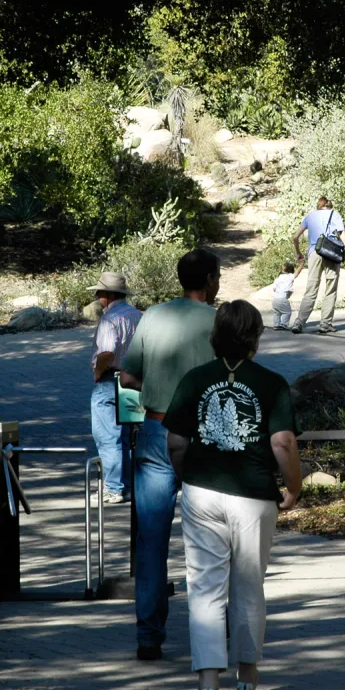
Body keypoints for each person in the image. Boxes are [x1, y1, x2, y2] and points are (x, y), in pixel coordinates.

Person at [164, 301, 302, 690]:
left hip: (201, 492)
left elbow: (175, 441)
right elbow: (283, 442)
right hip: (253, 496)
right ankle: (247, 671)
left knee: (204, 585)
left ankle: (207, 683)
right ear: (256, 336)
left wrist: (186, 475)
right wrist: (293, 486)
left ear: (216, 334)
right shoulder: (272, 382)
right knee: (248, 583)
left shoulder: (195, 379)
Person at [121, 248, 221, 661]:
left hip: (155, 429)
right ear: (212, 279)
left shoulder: (152, 316)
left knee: (151, 540)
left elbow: (127, 374)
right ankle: (216, 629)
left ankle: (148, 636)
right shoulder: (219, 322)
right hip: (204, 436)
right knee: (215, 538)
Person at [90, 271, 141, 504]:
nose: (98, 297)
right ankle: (128, 484)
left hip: (110, 379)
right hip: (134, 380)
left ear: (108, 295)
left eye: (99, 292)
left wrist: (98, 371)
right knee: (129, 436)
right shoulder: (137, 315)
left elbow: (107, 352)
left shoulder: (110, 319)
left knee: (108, 436)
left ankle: (113, 487)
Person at [288, 196, 345, 335]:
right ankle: (325, 324)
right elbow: (343, 238)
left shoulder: (310, 216)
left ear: (319, 205)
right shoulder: (334, 214)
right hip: (331, 253)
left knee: (311, 288)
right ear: (330, 205)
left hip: (314, 252)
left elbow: (295, 237)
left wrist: (299, 254)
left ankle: (299, 322)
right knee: (330, 289)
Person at [269, 261, 303, 331]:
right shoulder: (289, 276)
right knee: (287, 312)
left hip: (275, 299)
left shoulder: (278, 278)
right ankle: (283, 324)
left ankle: (276, 325)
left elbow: (274, 289)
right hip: (282, 298)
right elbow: (297, 272)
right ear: (291, 270)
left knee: (277, 313)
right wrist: (301, 265)